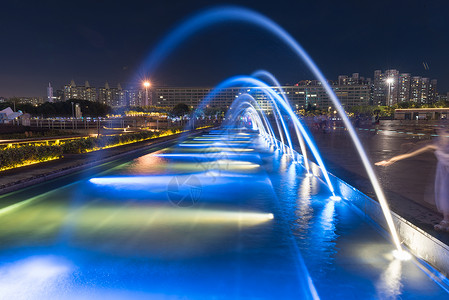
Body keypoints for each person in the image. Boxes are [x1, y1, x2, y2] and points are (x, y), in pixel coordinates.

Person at [376, 131, 449, 231]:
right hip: (445, 173)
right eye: (443, 127)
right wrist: (392, 159)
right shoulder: (435, 143)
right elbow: (412, 153)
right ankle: (446, 219)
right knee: (445, 194)